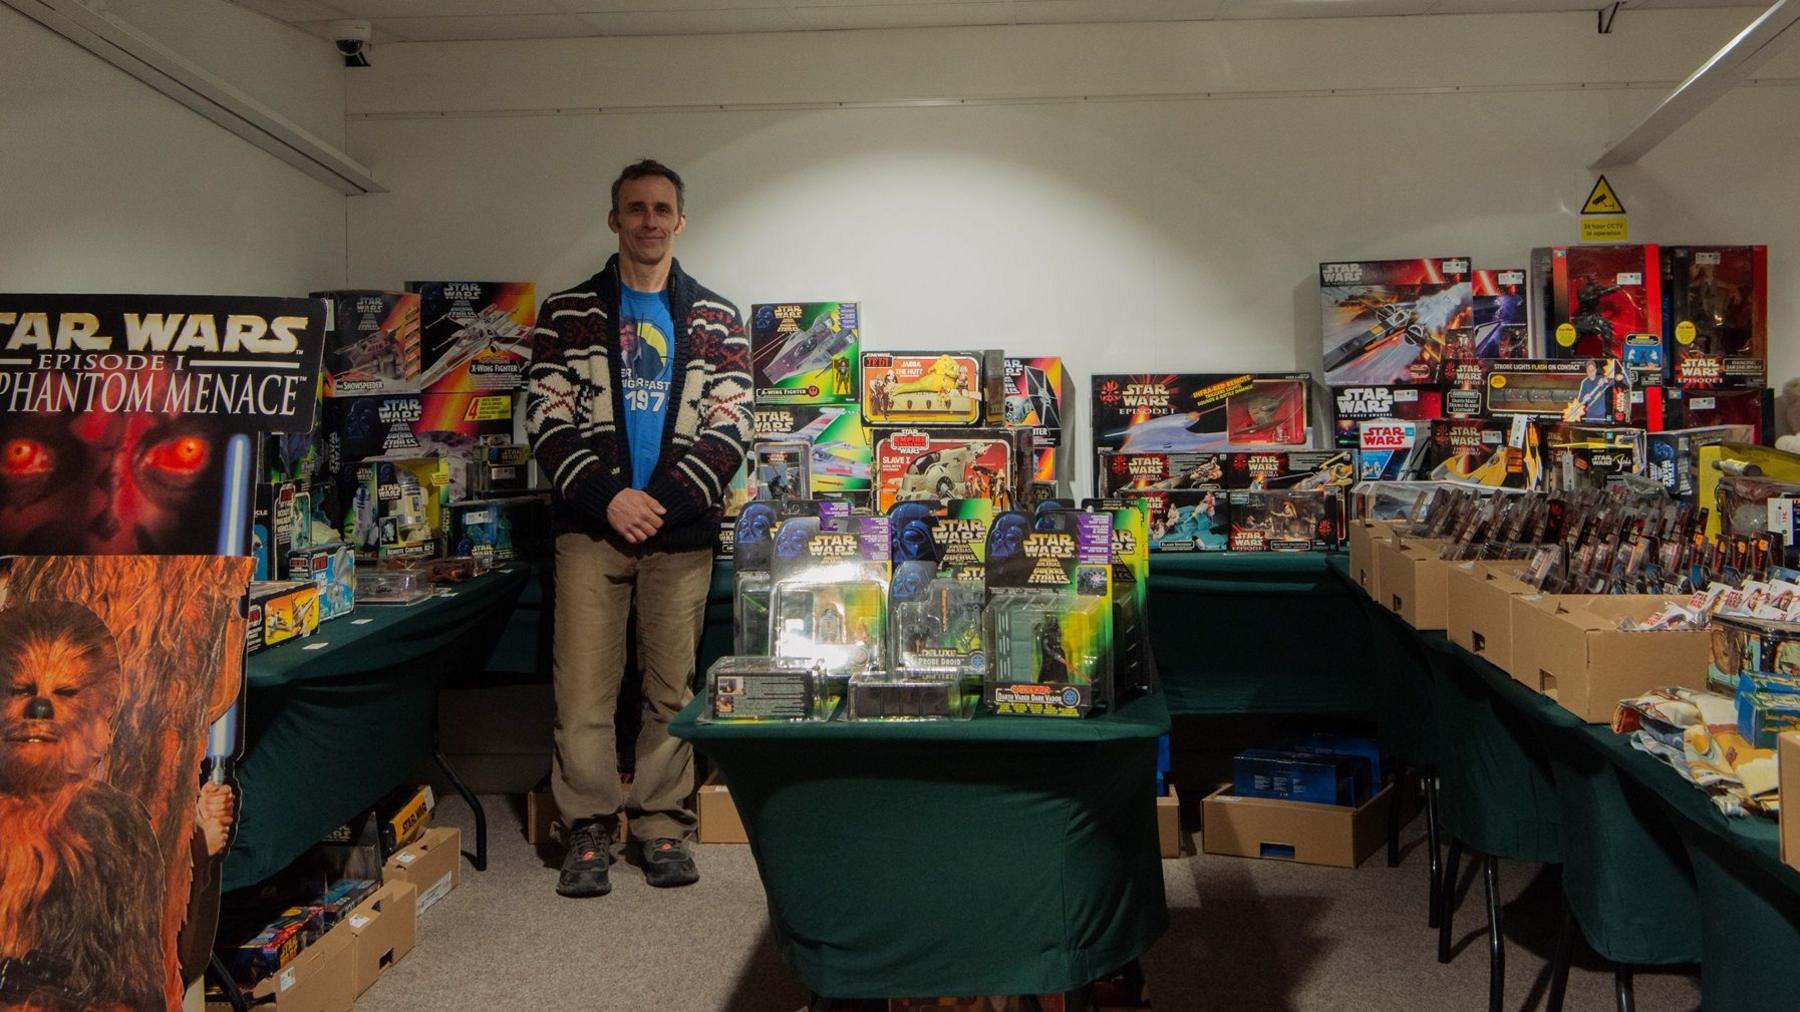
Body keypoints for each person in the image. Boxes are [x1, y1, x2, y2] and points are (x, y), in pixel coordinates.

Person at [525, 159, 752, 898]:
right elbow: (546, 418)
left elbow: (730, 427)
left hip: (680, 534)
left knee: (669, 689)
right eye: (635, 209)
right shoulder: (567, 313)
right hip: (591, 530)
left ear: (680, 220)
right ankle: (588, 827)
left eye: (662, 209)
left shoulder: (717, 317)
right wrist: (607, 497)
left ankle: (661, 825)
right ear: (614, 218)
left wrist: (661, 501)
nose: (649, 220)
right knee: (584, 691)